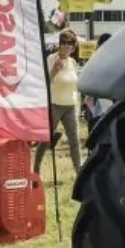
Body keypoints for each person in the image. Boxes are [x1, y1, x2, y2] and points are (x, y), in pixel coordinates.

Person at [45, 31, 84, 165]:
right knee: (45, 139)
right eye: (64, 43)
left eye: (70, 44)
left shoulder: (73, 62)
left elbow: (75, 85)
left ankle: (79, 171)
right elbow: (45, 82)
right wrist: (55, 71)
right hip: (55, 104)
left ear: (73, 47)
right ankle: (36, 168)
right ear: (59, 45)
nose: (67, 46)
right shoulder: (51, 59)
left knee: (74, 140)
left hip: (70, 105)